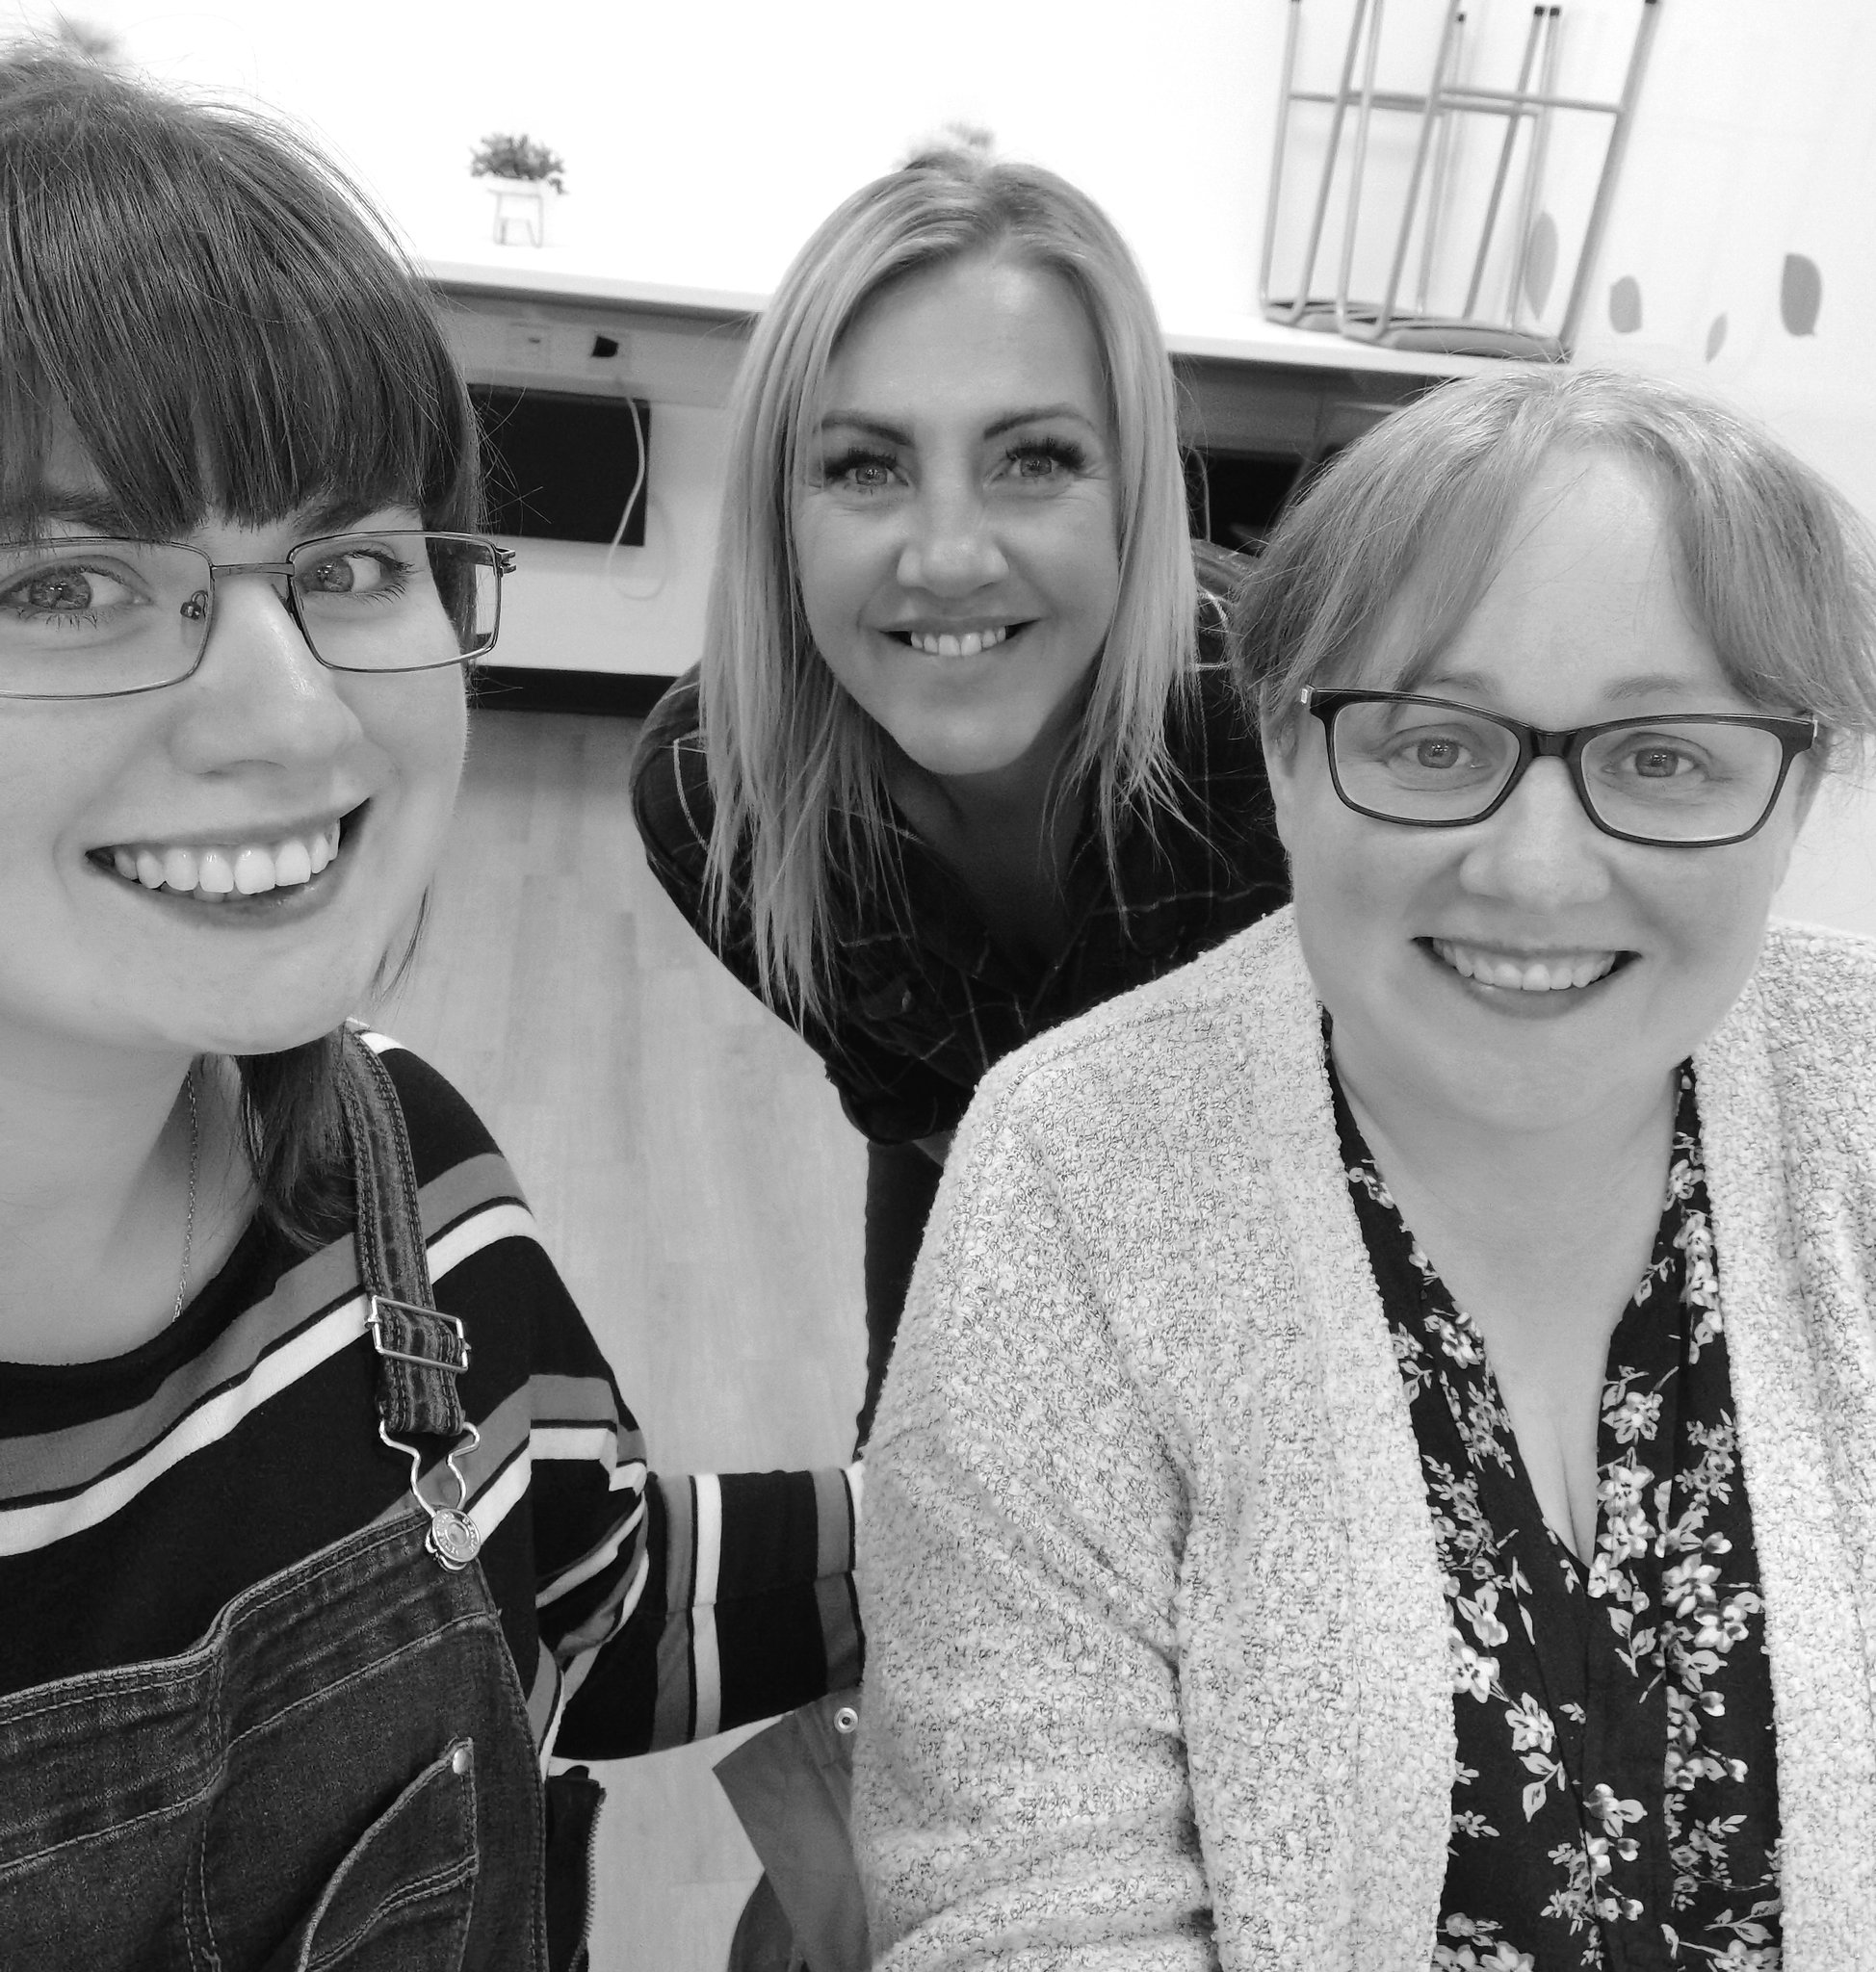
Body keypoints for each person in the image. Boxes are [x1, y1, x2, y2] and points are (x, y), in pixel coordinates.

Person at [0, 48, 859, 1969]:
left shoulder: (398, 1175)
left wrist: (1045, 1512)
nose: (296, 715)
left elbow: (590, 1602)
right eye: (71, 584)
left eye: (354, 564)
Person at [853, 366, 1876, 1969]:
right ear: (1280, 752)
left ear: (1797, 789)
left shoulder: (1861, 1101)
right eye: (1429, 742)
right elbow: (1021, 1910)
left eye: (1666, 756)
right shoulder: (1074, 1176)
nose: (1536, 870)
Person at [630, 146, 1290, 1450]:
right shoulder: (713, 798)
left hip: (1272, 1201)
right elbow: (931, 1128)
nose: (946, 557)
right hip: (961, 1160)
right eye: (867, 467)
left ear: (1135, 488)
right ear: (781, 510)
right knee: (920, 1497)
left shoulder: (1280, 726)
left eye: (1034, 459)